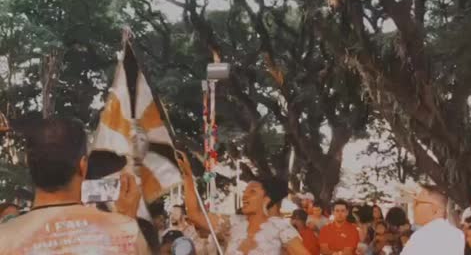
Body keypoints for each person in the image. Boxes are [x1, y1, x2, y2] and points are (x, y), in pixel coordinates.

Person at [0, 118, 149, 254]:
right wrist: (127, 220)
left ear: (29, 164)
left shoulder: (4, 239)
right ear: (83, 166)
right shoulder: (126, 232)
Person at [176, 151, 309, 255]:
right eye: (245, 192)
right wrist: (187, 178)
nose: (245, 196)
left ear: (266, 199)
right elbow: (195, 215)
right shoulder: (232, 223)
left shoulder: (280, 227)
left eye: (252, 192)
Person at [401, 184, 464, 254]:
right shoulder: (458, 235)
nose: (413, 207)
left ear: (434, 208)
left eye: (417, 203)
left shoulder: (421, 237)